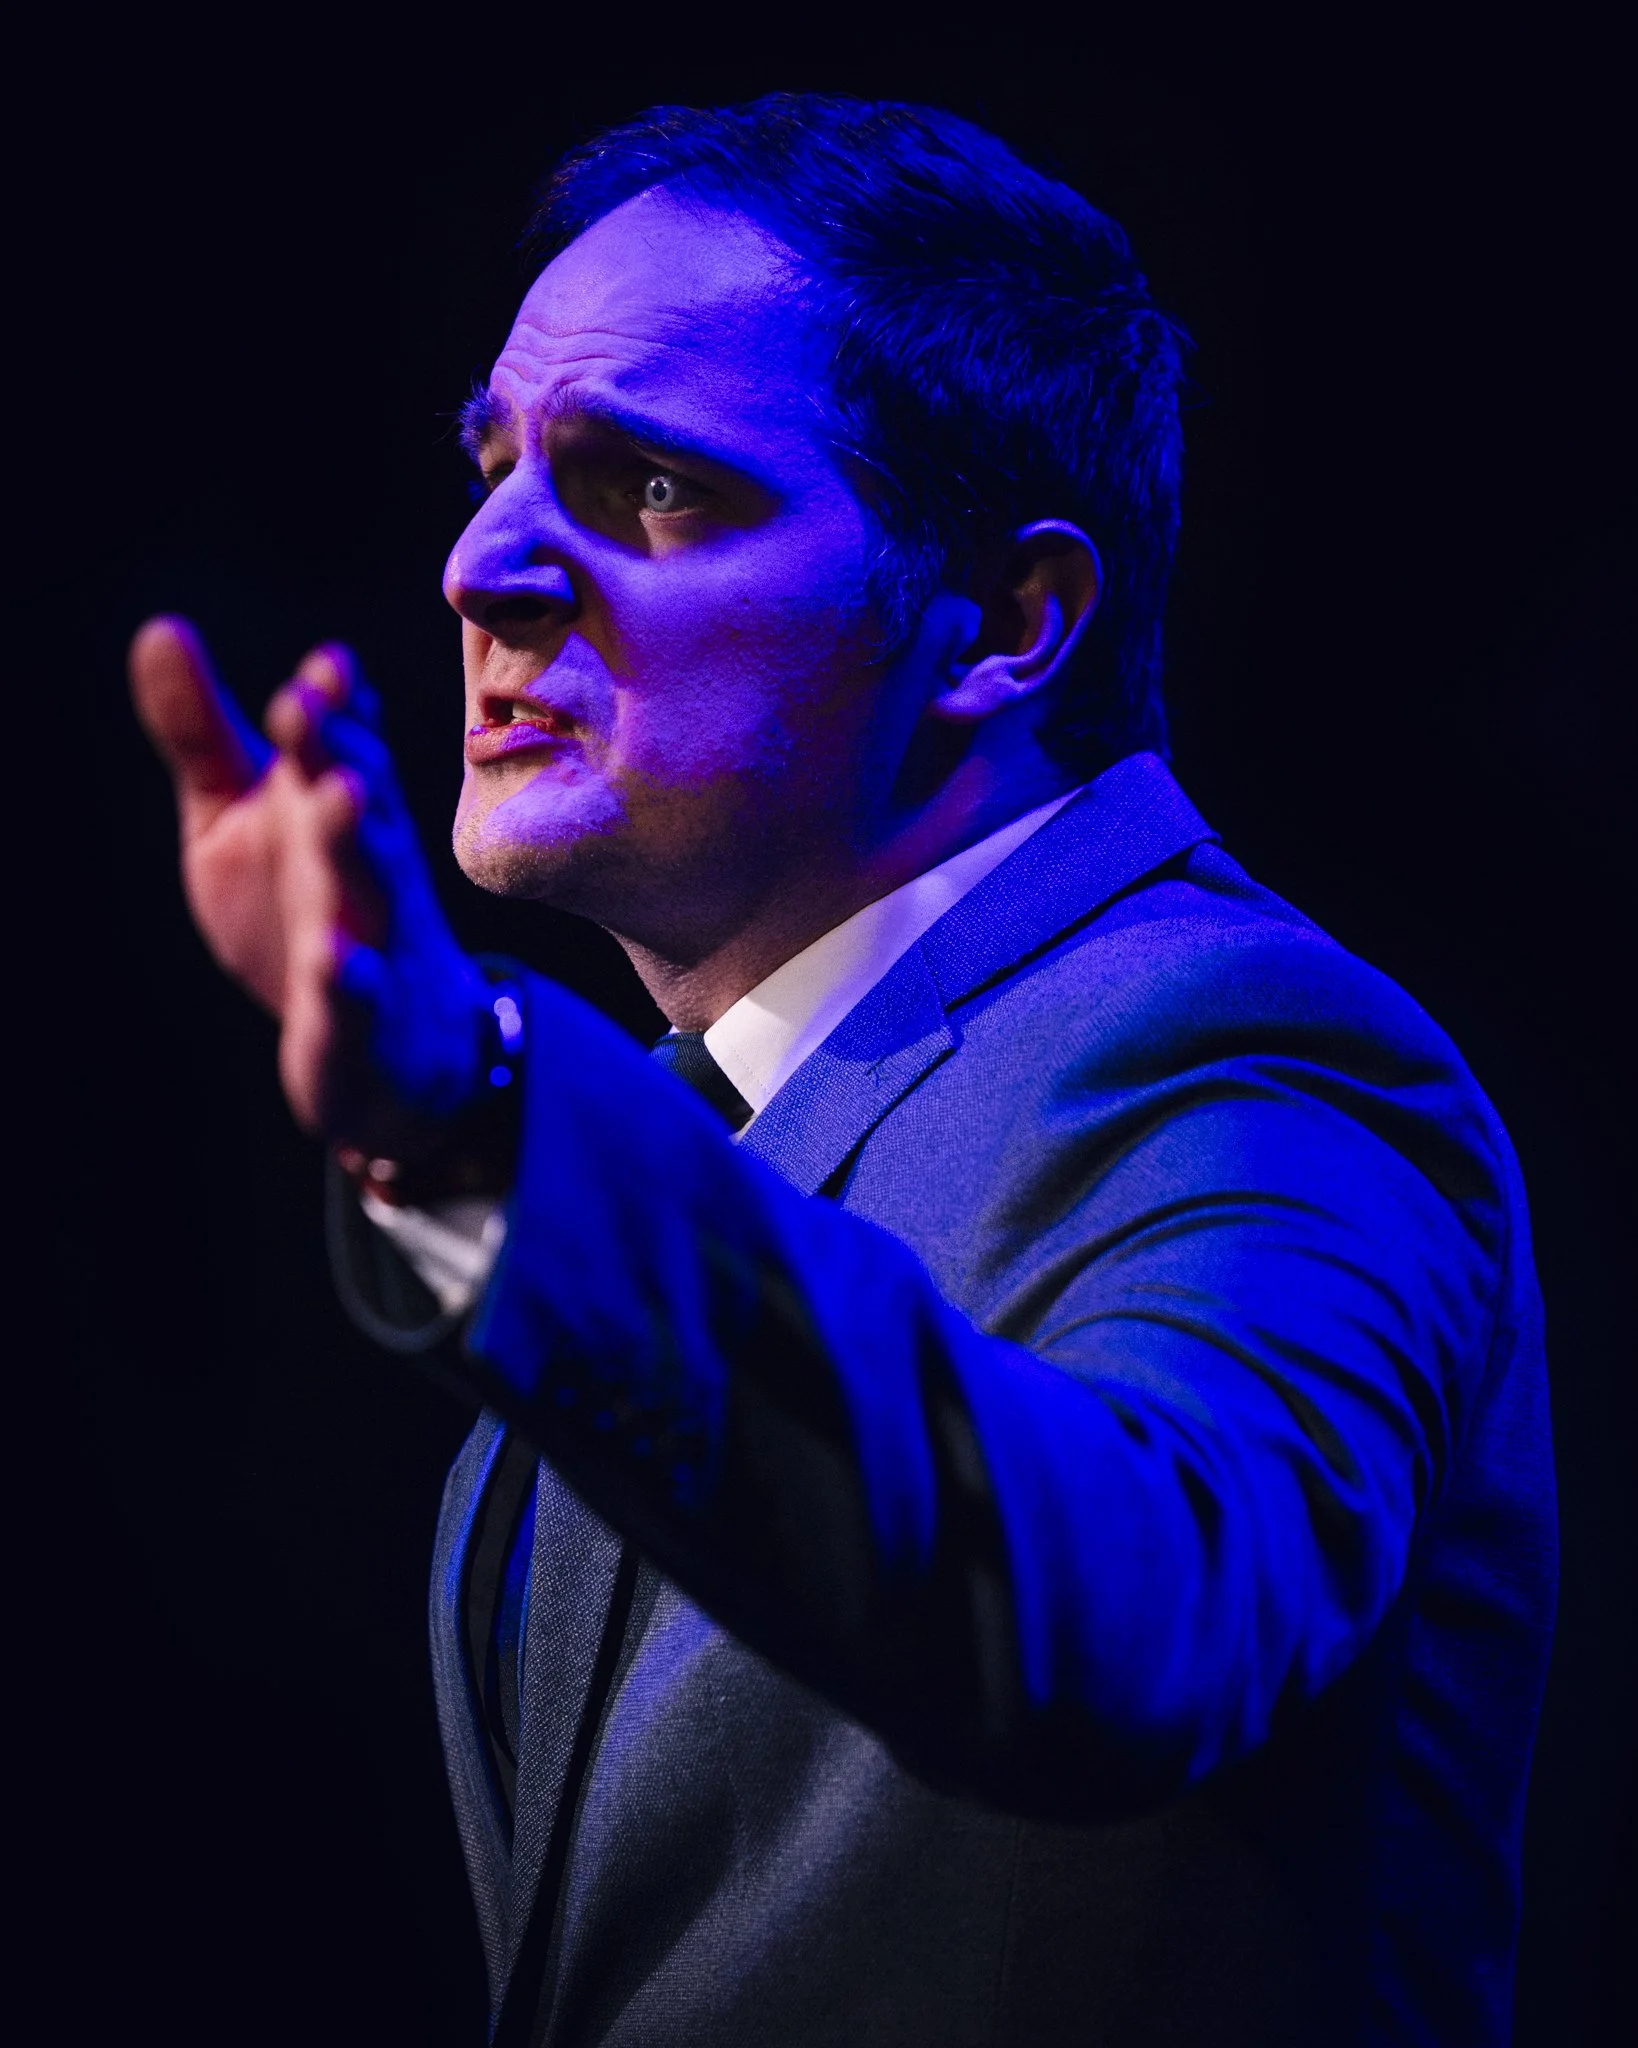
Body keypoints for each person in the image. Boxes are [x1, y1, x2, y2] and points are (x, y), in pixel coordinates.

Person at [128, 96, 1556, 2048]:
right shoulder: (693, 1128)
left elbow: (1133, 1614)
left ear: (1001, 624)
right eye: (493, 467)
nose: (477, 565)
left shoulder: (1249, 1055)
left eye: (644, 483)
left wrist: (475, 1119)